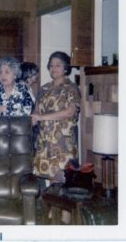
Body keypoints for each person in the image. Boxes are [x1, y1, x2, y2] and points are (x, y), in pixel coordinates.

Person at [32, 51, 81, 185]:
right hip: (44, 140)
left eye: (58, 65)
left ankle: (62, 206)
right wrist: (34, 118)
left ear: (66, 68)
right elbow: (37, 109)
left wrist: (41, 117)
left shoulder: (71, 88)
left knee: (62, 178)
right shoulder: (44, 88)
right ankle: (49, 206)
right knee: (48, 178)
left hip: (62, 142)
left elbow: (70, 112)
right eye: (51, 65)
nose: (53, 68)